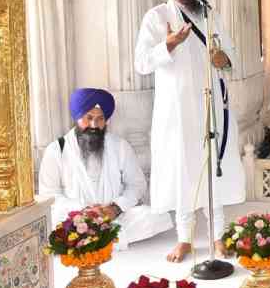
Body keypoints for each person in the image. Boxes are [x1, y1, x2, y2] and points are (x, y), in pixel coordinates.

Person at [134, 0, 244, 262]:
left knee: (214, 168)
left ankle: (218, 236)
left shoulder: (212, 15)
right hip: (178, 112)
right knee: (184, 168)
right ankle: (184, 239)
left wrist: (224, 59)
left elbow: (231, 54)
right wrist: (168, 44)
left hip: (213, 107)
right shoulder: (158, 17)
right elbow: (141, 62)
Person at [39, 88, 174, 249]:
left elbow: (137, 185)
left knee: (153, 216)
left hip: (114, 218)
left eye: (100, 119)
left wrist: (115, 208)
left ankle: (90, 240)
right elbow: (49, 195)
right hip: (76, 218)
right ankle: (103, 238)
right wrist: (83, 210)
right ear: (77, 118)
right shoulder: (56, 150)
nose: (94, 125)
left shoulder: (119, 146)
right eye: (89, 118)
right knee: (53, 224)